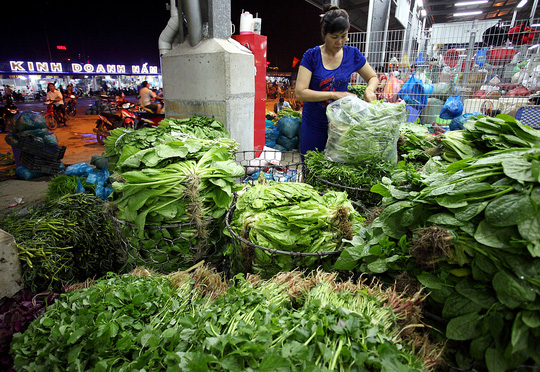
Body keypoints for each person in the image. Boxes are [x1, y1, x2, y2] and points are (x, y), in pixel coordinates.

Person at [295, 4, 379, 155]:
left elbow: (372, 77)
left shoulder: (352, 54)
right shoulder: (311, 56)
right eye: (334, 37)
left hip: (341, 126)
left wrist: (370, 89)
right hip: (314, 124)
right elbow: (300, 93)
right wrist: (335, 94)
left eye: (344, 36)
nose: (340, 41)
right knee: (310, 167)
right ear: (324, 33)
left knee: (337, 167)